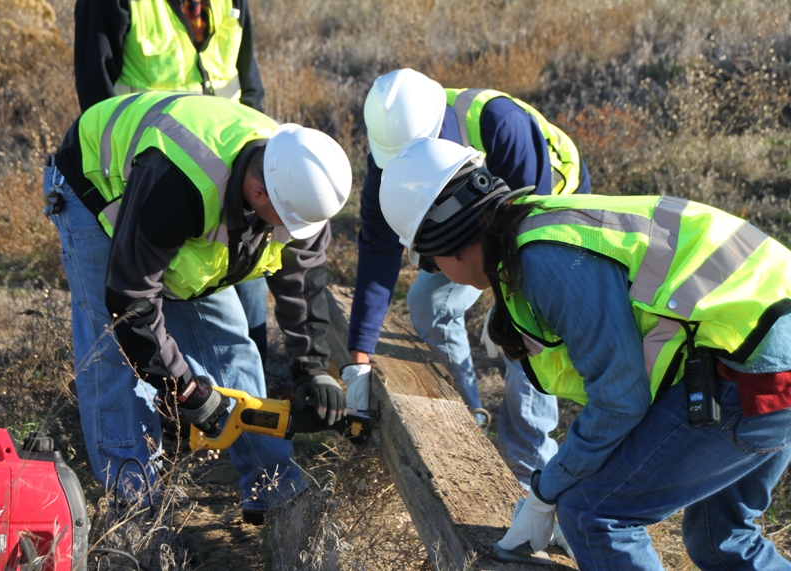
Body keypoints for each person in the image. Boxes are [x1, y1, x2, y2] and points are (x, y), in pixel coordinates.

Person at [379, 137, 791, 569]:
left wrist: (547, 490)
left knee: (595, 515)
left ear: (451, 241)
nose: (437, 272)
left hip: (757, 372)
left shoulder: (545, 260)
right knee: (720, 536)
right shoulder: (546, 221)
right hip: (760, 344)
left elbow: (620, 398)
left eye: (429, 261)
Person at [43, 91, 352, 525]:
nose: (291, 234)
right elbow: (130, 301)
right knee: (114, 358)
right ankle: (138, 514)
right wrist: (185, 388)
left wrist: (314, 367)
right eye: (284, 225)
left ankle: (276, 490)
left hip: (184, 211)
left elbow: (302, 283)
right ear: (258, 192)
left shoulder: (300, 185)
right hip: (94, 186)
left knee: (229, 344)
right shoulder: (178, 182)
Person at [343, 68, 591, 489]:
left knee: (529, 339)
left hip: (547, 215)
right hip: (463, 225)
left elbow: (532, 232)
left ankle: (528, 465)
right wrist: (359, 358)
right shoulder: (390, 157)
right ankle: (464, 422)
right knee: (426, 300)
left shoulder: (500, 125)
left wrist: (506, 304)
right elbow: (378, 253)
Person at [74, 0, 274, 367]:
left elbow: (249, 85)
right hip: (151, 177)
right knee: (146, 293)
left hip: (235, 170)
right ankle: (171, 394)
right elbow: (95, 88)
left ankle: (254, 394)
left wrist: (261, 165)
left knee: (246, 298)